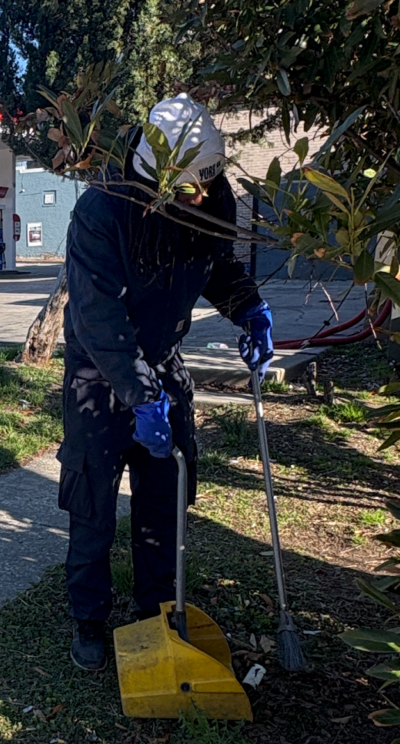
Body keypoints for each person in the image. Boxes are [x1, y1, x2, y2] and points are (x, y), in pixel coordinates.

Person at [58, 94, 274, 671]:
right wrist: (137, 393)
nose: (200, 197)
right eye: (186, 188)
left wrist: (248, 307)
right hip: (98, 371)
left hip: (164, 360)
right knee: (92, 501)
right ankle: (88, 617)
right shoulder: (104, 209)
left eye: (207, 182)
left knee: (166, 496)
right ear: (154, 180)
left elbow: (216, 263)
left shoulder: (207, 197)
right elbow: (97, 315)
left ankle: (156, 609)